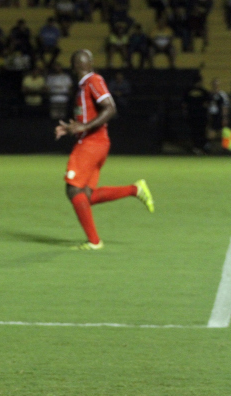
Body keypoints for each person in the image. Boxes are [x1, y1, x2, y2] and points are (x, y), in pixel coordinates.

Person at [54, 50, 154, 250]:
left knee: (73, 189)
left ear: (86, 65)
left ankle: (94, 242)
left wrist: (84, 127)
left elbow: (110, 108)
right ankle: (135, 189)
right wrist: (71, 128)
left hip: (92, 143)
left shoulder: (94, 80)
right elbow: (88, 115)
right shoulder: (83, 86)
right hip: (96, 143)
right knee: (86, 196)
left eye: (83, 61)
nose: (81, 64)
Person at [206, 78, 230, 152]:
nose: (215, 86)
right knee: (211, 131)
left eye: (217, 84)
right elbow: (207, 105)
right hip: (212, 116)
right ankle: (210, 148)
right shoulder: (209, 94)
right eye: (214, 84)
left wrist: (225, 117)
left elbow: (225, 106)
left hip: (220, 116)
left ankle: (225, 148)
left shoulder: (222, 94)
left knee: (224, 131)